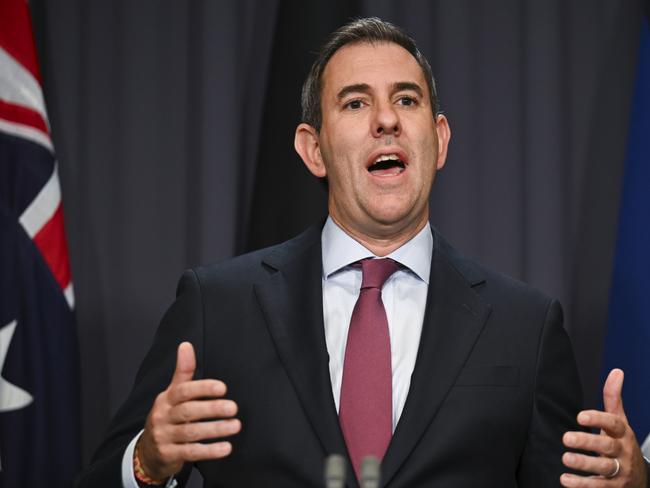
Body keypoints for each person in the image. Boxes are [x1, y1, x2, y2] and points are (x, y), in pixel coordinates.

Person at [76, 17, 649, 488]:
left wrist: (635, 480)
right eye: (354, 103)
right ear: (313, 149)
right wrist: (146, 463)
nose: (386, 120)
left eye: (407, 99)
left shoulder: (526, 325)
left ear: (440, 139)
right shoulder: (218, 305)